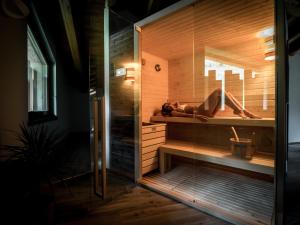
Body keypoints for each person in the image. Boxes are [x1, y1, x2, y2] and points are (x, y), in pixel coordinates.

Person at [161, 88, 261, 122]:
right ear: (167, 109)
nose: (170, 105)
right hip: (200, 111)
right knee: (219, 91)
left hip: (206, 112)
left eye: (169, 104)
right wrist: (197, 116)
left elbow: (176, 102)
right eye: (168, 106)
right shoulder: (173, 112)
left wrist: (173, 103)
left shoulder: (177, 106)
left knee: (227, 94)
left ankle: (245, 111)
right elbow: (184, 115)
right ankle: (240, 111)